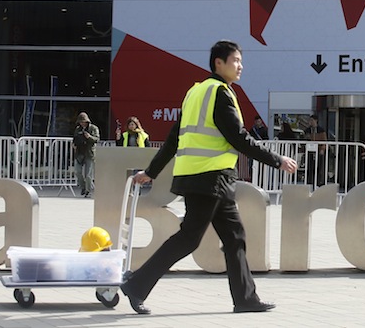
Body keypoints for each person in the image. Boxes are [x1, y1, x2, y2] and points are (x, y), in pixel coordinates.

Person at [120, 40, 298, 315]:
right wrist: (277, 159)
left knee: (234, 236)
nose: (241, 66)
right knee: (189, 238)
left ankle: (245, 298)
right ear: (219, 63)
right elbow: (238, 138)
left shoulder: (195, 92)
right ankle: (136, 284)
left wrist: (152, 172)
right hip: (210, 178)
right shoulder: (221, 93)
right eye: (236, 60)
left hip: (208, 178)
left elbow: (173, 139)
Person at [72, 112, 99, 198]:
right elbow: (75, 138)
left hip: (89, 153)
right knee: (77, 171)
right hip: (79, 153)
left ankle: (88, 191)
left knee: (88, 175)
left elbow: (97, 139)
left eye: (84, 121)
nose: (82, 123)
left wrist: (89, 137)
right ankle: (83, 187)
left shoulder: (93, 128)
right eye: (81, 122)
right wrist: (74, 145)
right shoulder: (77, 129)